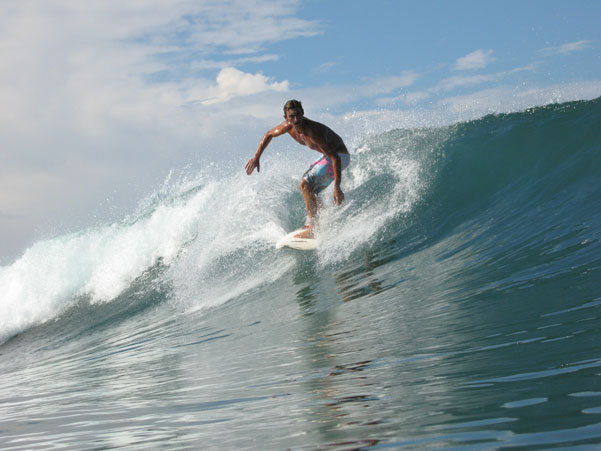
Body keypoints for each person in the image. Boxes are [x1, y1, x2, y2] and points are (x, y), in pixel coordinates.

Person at [245, 100, 351, 238]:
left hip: (340, 157)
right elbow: (269, 134)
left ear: (303, 113)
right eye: (292, 117)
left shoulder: (312, 132)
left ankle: (313, 229)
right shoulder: (288, 127)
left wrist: (337, 186)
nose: (297, 119)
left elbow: (335, 157)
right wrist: (256, 156)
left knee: (305, 184)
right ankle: (323, 222)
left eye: (299, 115)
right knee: (309, 189)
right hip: (329, 156)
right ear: (286, 118)